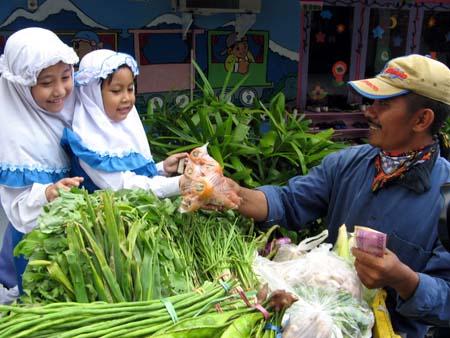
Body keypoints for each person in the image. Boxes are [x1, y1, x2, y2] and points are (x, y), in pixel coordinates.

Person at [220, 54, 450, 337]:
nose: (369, 112)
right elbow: (289, 201)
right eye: (372, 102)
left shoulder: (446, 195)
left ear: (422, 119)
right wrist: (235, 194)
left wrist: (405, 280)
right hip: (324, 325)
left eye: (384, 105)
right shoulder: (347, 164)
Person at [0, 27, 84, 302]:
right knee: (42, 304)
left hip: (74, 234)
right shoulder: (15, 134)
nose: (60, 91)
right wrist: (48, 193)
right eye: (46, 82)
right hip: (35, 243)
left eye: (66, 77)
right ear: (22, 85)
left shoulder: (72, 109)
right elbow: (17, 206)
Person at [61, 49, 186, 196]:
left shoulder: (125, 126)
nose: (126, 98)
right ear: (92, 94)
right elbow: (122, 186)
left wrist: (163, 168)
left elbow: (132, 174)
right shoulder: (88, 141)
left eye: (130, 89)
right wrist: (178, 184)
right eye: (116, 91)